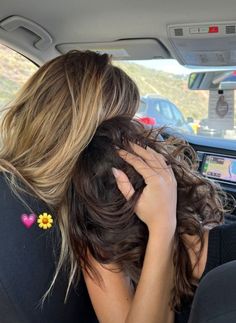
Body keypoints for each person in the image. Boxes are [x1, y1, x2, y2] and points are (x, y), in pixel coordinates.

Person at [0, 49, 235, 323]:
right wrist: (163, 223)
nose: (136, 136)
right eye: (126, 123)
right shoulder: (98, 197)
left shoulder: (92, 198)